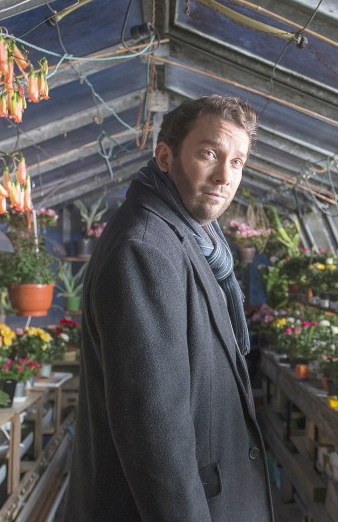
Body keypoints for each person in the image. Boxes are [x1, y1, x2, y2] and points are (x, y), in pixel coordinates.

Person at [63, 95, 274, 521]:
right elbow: (155, 433)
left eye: (237, 162)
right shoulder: (144, 249)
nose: (223, 176)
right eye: (209, 153)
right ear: (164, 156)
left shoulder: (190, 239)